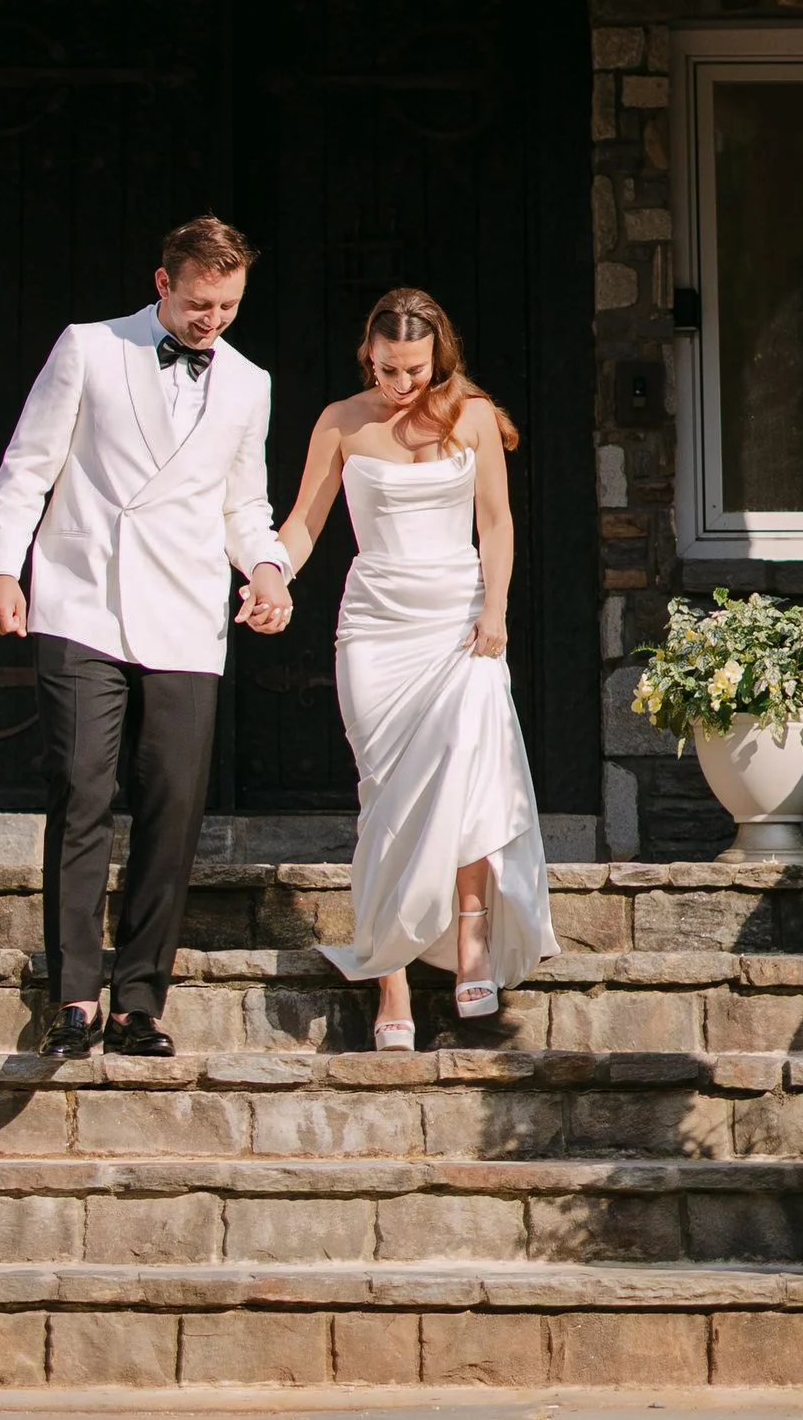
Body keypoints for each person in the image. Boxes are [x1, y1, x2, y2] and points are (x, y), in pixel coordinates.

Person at [0, 214, 292, 1058]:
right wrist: (0, 570)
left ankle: (139, 1004)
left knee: (172, 808)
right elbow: (28, 464)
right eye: (198, 302)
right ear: (163, 283)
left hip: (187, 617)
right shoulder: (89, 347)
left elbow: (244, 504)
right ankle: (74, 997)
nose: (212, 320)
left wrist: (267, 569)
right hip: (85, 601)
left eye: (227, 305)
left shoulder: (249, 383)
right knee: (81, 791)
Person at [272, 285, 554, 1050]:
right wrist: (271, 574)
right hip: (375, 628)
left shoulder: (470, 417)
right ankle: (388, 969)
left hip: (459, 619)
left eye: (417, 370)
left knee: (466, 773)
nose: (402, 385)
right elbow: (302, 523)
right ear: (369, 352)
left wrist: (495, 609)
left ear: (440, 358)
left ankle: (470, 939)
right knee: (387, 795)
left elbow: (495, 522)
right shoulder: (339, 422)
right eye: (389, 368)